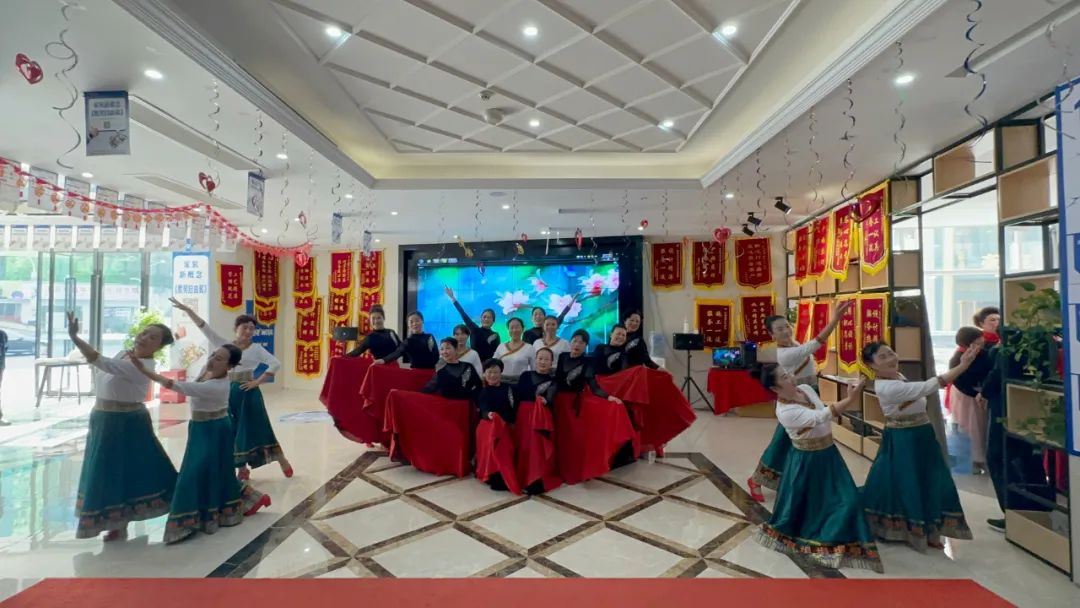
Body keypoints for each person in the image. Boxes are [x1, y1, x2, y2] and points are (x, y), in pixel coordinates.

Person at [129, 344, 271, 544]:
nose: (213, 359)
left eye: (219, 359)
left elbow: (176, 386)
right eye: (213, 355)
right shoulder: (207, 371)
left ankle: (186, 521)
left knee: (194, 472)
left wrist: (143, 369)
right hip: (200, 427)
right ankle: (246, 498)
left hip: (215, 429)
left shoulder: (216, 386)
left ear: (229, 366)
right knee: (213, 471)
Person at [749, 362, 883, 572]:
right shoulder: (785, 412)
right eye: (784, 378)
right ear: (775, 388)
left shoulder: (805, 389)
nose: (791, 377)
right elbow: (821, 416)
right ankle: (828, 539)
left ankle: (843, 532)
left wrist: (848, 395)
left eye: (788, 373)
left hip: (828, 454)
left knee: (845, 498)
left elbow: (823, 410)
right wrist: (850, 399)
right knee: (819, 504)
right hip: (807, 461)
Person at [68, 311, 178, 541]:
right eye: (144, 333)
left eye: (152, 337)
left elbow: (101, 361)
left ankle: (124, 518)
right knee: (109, 470)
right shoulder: (125, 355)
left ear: (158, 347)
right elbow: (104, 369)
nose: (144, 337)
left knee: (125, 469)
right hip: (103, 418)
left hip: (125, 421)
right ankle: (118, 520)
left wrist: (75, 338)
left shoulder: (143, 365)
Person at [861, 341, 977, 552]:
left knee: (931, 480)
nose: (891, 359)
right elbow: (929, 386)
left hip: (922, 435)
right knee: (909, 483)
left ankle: (931, 529)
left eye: (891, 353)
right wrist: (963, 366)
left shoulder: (897, 376)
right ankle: (914, 531)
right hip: (904, 439)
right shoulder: (887, 387)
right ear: (872, 366)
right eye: (883, 357)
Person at [171, 298, 292, 481]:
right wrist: (188, 311)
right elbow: (204, 328)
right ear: (236, 328)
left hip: (248, 394)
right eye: (245, 327)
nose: (249, 331)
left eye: (252, 328)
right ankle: (241, 468)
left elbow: (275, 363)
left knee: (259, 427)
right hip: (228, 392)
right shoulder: (225, 346)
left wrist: (256, 382)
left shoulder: (257, 348)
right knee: (232, 429)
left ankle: (282, 459)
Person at [747, 300, 852, 502]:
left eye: (787, 326)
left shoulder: (794, 344)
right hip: (793, 399)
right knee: (781, 443)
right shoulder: (785, 354)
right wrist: (835, 319)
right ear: (772, 335)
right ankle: (756, 479)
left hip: (809, 393)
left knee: (805, 443)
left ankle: (798, 481)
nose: (786, 331)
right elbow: (816, 343)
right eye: (780, 329)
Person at [948, 327, 995, 475]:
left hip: (980, 395)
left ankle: (983, 459)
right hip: (965, 396)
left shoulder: (984, 354)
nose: (982, 340)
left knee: (982, 427)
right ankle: (973, 460)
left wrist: (984, 391)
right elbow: (958, 381)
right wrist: (975, 394)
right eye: (978, 339)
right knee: (968, 427)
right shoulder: (957, 358)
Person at [474, 359, 520, 493]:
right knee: (495, 445)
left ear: (501, 373)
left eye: (495, 372)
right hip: (489, 426)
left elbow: (515, 407)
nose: (492, 375)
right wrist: (489, 414)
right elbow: (483, 409)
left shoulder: (510, 388)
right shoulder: (482, 391)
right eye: (489, 372)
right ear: (484, 374)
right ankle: (493, 475)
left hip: (507, 425)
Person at [444, 286, 500, 361]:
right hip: (472, 363)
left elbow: (496, 354)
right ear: (481, 319)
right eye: (484, 317)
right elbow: (463, 313)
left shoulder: (495, 335)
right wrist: (452, 297)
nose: (486, 319)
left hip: (488, 366)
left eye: (489, 317)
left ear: (493, 321)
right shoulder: (475, 329)